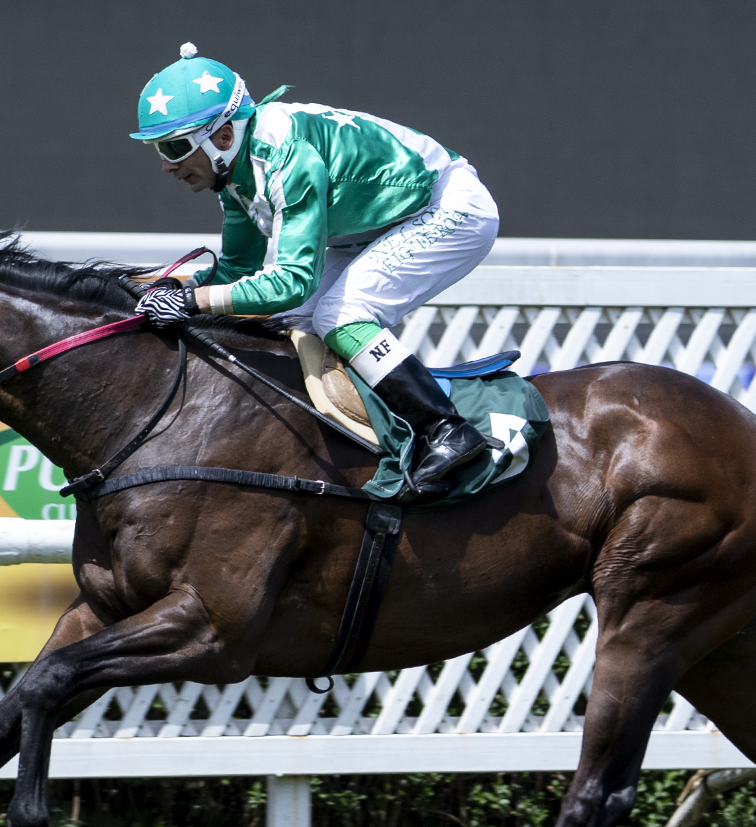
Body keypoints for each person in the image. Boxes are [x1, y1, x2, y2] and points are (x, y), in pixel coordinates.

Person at [131, 43, 499, 500]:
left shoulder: (285, 157)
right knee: (291, 321)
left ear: (223, 137)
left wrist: (192, 300)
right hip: (376, 226)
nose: (167, 165)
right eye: (158, 149)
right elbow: (239, 269)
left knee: (340, 316)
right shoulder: (235, 172)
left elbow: (291, 282)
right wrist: (176, 286)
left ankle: (445, 428)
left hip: (449, 208)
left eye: (174, 147)